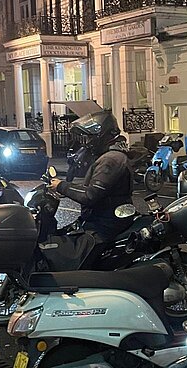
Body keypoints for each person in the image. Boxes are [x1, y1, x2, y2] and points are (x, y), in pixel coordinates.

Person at [46, 111, 134, 270]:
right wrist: (66, 188)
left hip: (104, 223)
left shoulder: (111, 159)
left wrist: (61, 186)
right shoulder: (111, 156)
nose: (87, 143)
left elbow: (90, 195)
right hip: (105, 217)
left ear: (100, 135)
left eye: (89, 138)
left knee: (77, 260)